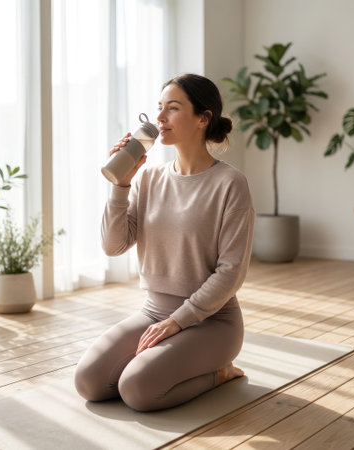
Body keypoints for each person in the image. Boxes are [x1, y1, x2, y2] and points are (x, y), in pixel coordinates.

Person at [74, 73, 255, 412]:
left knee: (137, 389)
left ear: (203, 119)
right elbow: (113, 246)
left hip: (212, 322)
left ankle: (220, 372)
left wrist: (178, 321)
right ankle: (167, 363)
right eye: (159, 108)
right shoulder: (149, 177)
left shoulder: (231, 184)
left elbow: (231, 273)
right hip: (153, 312)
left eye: (172, 108)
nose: (159, 118)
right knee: (88, 382)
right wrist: (121, 184)